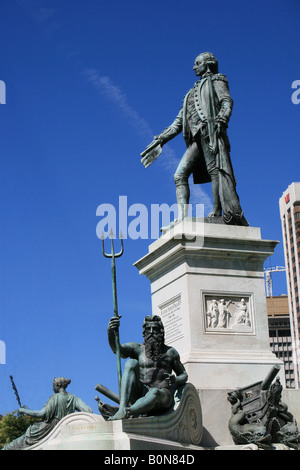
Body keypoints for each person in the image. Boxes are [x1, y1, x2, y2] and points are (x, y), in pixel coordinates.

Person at [141, 52, 248, 226]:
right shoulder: (190, 94)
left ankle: (217, 212)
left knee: (215, 170)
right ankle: (182, 218)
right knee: (179, 175)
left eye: (197, 63)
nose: (193, 67)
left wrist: (222, 118)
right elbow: (178, 124)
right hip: (197, 138)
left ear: (207, 64)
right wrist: (161, 139)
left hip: (210, 132)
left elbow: (227, 101)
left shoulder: (217, 81)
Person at [107, 315, 188, 420]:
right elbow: (118, 350)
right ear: (144, 332)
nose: (151, 332)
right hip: (141, 394)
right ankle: (123, 408)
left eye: (155, 329)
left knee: (154, 391)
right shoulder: (139, 349)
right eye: (148, 329)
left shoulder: (170, 352)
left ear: (161, 332)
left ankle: (126, 412)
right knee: (131, 363)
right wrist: (110, 332)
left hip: (162, 395)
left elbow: (184, 375)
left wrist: (176, 379)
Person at [2, 377, 92, 450]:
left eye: (53, 386)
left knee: (11, 446)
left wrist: (24, 411)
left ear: (58, 385)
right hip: (63, 427)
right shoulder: (74, 398)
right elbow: (88, 411)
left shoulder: (55, 397)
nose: (52, 388)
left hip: (48, 428)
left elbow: (42, 414)